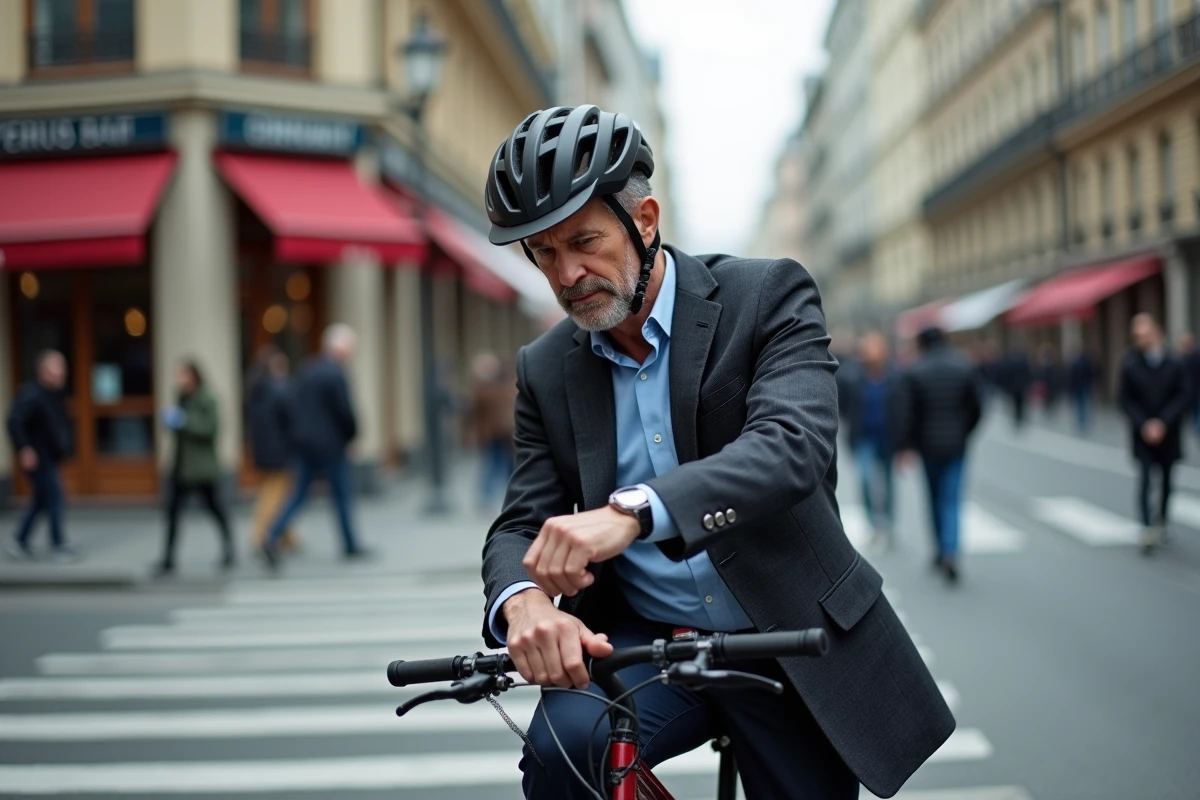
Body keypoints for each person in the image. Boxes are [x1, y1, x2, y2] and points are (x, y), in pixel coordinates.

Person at [479, 105, 953, 800]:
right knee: (562, 761)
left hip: (786, 635)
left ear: (644, 220)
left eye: (584, 240)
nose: (568, 272)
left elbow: (791, 446)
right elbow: (520, 521)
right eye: (544, 253)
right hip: (642, 642)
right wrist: (523, 602)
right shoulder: (545, 365)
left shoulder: (766, 295)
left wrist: (635, 513)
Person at [261, 324, 368, 568]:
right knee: (341, 495)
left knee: (298, 494)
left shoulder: (309, 369)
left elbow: (295, 405)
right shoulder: (335, 373)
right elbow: (344, 411)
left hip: (305, 443)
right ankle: (350, 544)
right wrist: (352, 435)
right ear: (341, 349)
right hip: (330, 445)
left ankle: (272, 534)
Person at [901, 326, 983, 583]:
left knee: (934, 498)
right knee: (952, 500)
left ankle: (940, 549)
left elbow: (909, 414)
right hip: (956, 446)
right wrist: (964, 432)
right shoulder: (963, 366)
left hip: (928, 447)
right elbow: (977, 408)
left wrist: (908, 444)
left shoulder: (915, 371)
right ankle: (950, 551)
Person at [1118, 314, 1190, 554]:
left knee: (1167, 480)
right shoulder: (1130, 364)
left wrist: (1163, 422)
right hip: (1143, 433)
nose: (1140, 339)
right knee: (1146, 478)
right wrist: (1145, 424)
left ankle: (1162, 521)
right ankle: (1147, 526)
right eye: (1136, 335)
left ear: (1156, 333)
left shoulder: (1174, 363)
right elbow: (1125, 399)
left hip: (1168, 433)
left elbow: (1182, 396)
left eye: (1144, 334)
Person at [157, 359, 235, 575]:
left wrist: (184, 421)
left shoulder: (206, 397)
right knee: (173, 512)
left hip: (201, 467)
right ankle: (168, 558)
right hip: (181, 466)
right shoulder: (181, 398)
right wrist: (172, 422)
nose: (179, 379)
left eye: (182, 374)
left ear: (193, 375)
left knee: (214, 508)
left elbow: (211, 427)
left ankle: (229, 550)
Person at [5, 350, 75, 561]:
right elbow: (14, 422)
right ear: (44, 370)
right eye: (58, 367)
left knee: (41, 501)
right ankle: (58, 545)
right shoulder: (32, 393)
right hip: (38, 458)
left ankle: (20, 541)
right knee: (55, 499)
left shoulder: (54, 393)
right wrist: (25, 448)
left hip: (50, 456)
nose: (63, 372)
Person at [842, 331, 906, 549]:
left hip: (888, 438)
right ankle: (874, 525)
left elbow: (902, 410)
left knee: (888, 484)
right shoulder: (853, 377)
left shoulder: (895, 376)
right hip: (863, 438)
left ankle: (887, 524)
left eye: (876, 348)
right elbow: (844, 406)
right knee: (866, 481)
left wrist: (904, 444)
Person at [245, 345, 300, 552]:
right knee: (274, 493)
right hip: (279, 450)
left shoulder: (256, 388)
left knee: (278, 492)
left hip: (263, 448)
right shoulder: (278, 389)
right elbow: (291, 419)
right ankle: (261, 535)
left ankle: (287, 536)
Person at [469, 352, 517, 509]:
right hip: (495, 433)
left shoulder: (500, 387)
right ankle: (490, 495)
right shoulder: (488, 389)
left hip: (505, 432)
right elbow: (477, 414)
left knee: (503, 464)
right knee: (495, 464)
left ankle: (511, 494)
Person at [1067, 347, 1097, 432]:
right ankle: (1081, 420)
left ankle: (1083, 420)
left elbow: (1090, 374)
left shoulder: (1084, 362)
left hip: (1084, 386)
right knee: (1081, 404)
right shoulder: (1077, 363)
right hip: (1080, 386)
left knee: (1083, 403)